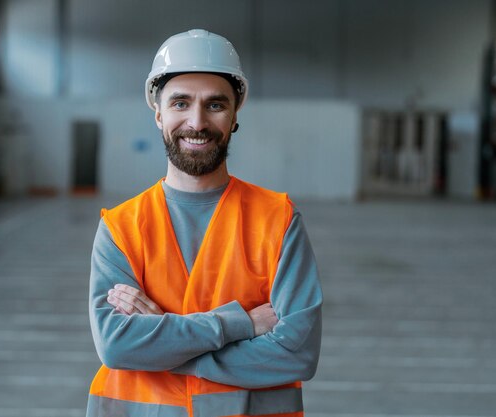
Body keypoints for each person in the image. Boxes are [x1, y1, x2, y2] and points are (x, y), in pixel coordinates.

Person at [87, 29, 322, 417]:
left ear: (234, 116)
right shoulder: (121, 227)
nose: (197, 122)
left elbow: (297, 353)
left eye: (215, 105)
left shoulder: (277, 220)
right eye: (181, 103)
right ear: (158, 112)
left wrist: (166, 346)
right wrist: (239, 323)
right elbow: (116, 346)